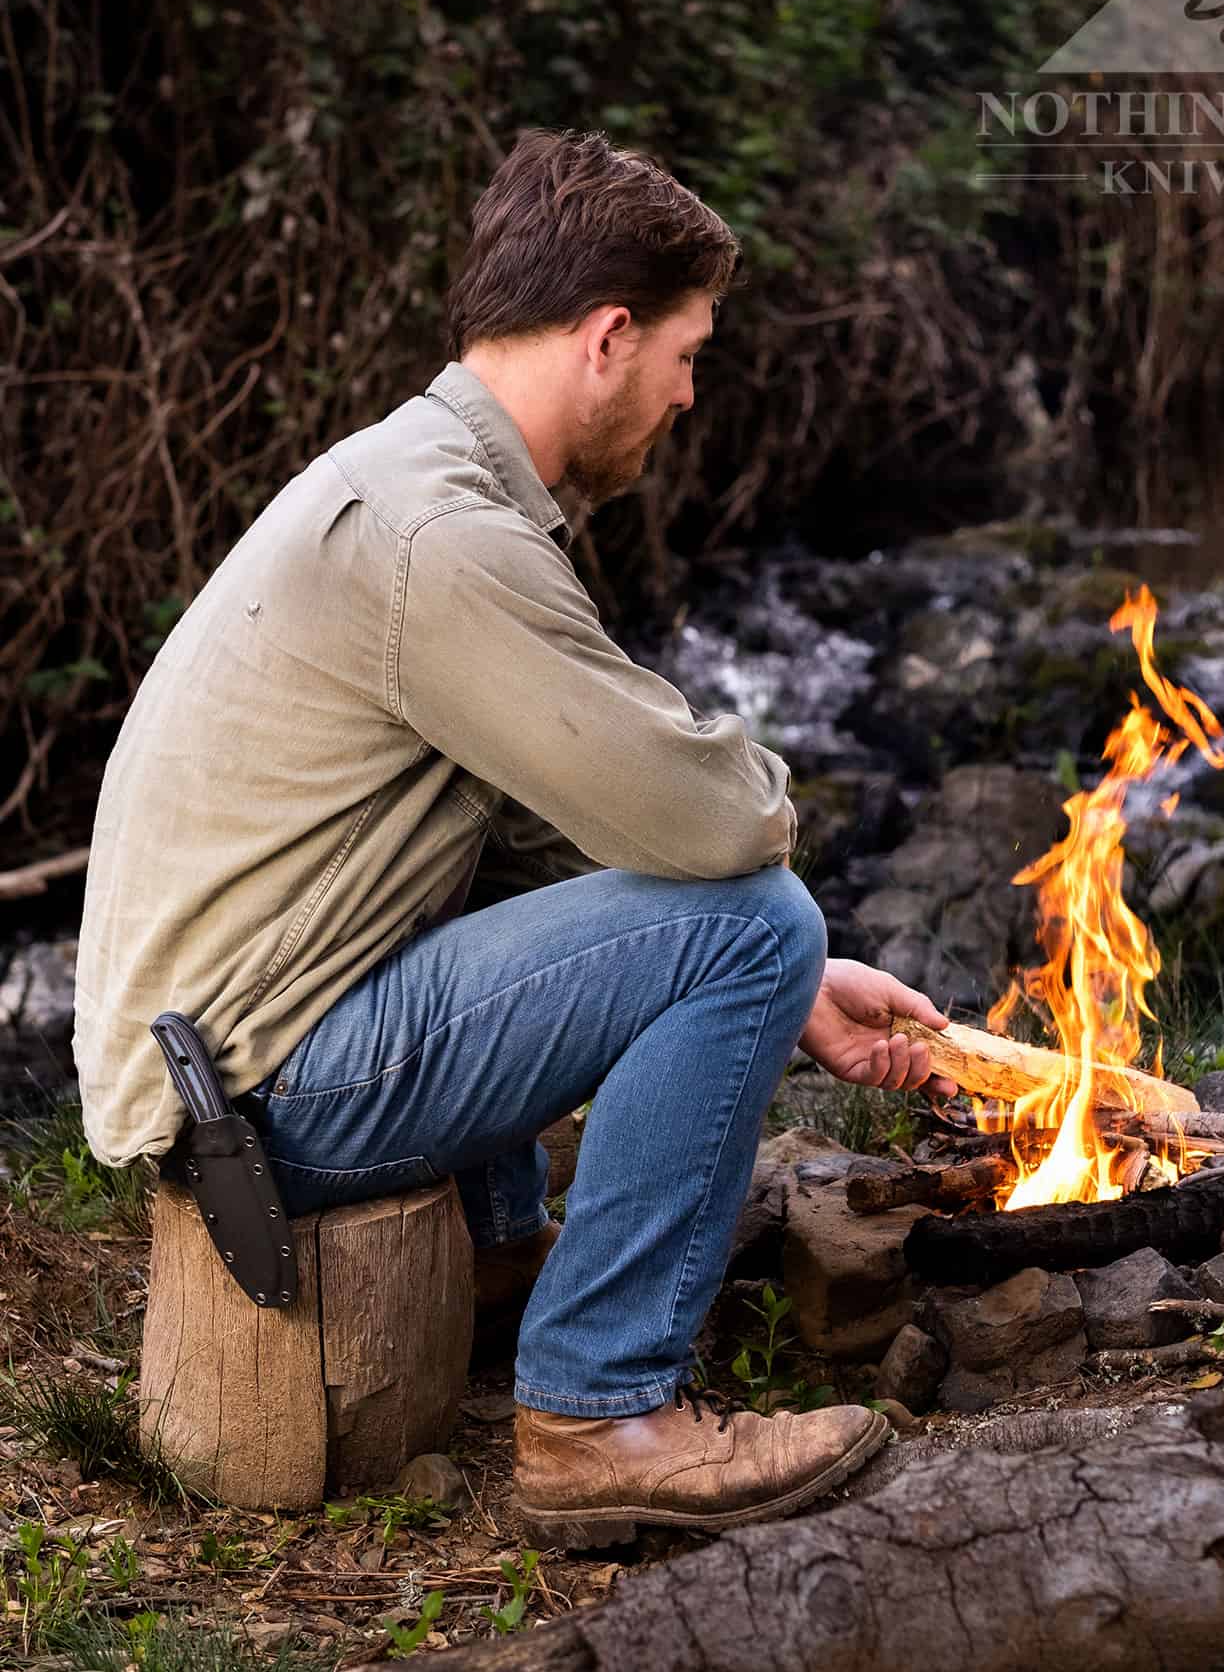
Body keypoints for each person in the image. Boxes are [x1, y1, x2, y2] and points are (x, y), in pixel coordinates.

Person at [72, 126, 956, 1547]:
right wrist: (779, 936)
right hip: (258, 1099)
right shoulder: (443, 538)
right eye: (686, 356)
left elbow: (553, 843)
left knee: (716, 922)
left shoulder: (416, 482)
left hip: (236, 1060)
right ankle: (603, 1412)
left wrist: (806, 994)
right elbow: (714, 825)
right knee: (757, 915)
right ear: (609, 335)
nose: (686, 396)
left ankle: (500, 1265)